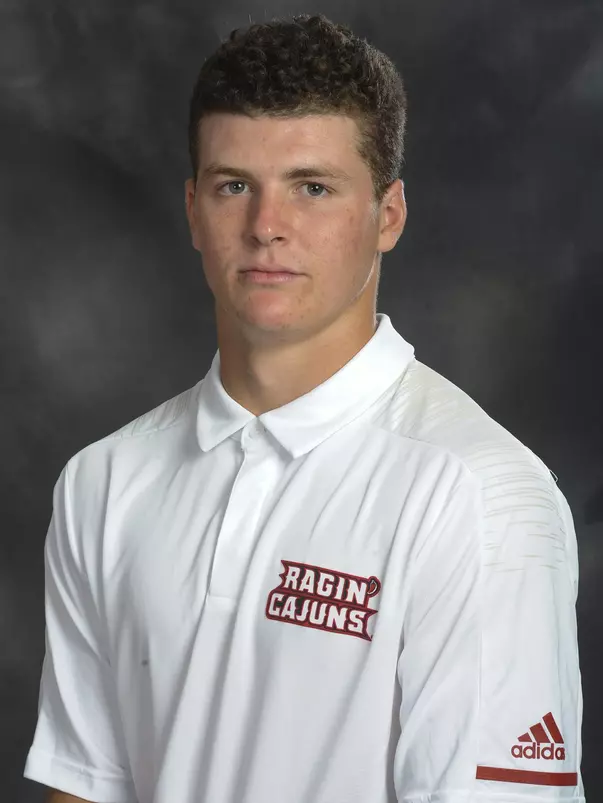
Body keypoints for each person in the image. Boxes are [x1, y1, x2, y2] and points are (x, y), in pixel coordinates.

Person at [23, 12, 585, 803]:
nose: (266, 228)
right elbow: (84, 786)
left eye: (311, 188)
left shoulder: (477, 496)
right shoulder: (104, 481)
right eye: (233, 187)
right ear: (192, 209)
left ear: (386, 215)